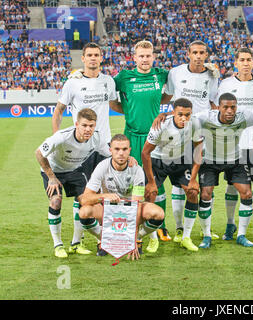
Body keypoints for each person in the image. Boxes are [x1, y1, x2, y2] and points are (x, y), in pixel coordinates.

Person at [52, 43, 119, 241]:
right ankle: (77, 240)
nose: (92, 58)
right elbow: (58, 111)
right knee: (82, 193)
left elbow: (115, 103)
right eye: (89, 55)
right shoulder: (72, 82)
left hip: (104, 146)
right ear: (83, 58)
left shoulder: (108, 81)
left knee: (105, 192)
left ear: (101, 58)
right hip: (81, 149)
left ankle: (105, 237)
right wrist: (57, 139)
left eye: (96, 55)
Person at [112, 40, 170, 251]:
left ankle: (159, 226)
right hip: (132, 136)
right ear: (134, 57)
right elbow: (110, 97)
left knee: (158, 182)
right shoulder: (124, 77)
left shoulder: (161, 75)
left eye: (148, 55)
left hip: (156, 137)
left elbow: (169, 94)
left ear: (153, 56)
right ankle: (133, 227)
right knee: (133, 182)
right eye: (141, 56)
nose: (145, 59)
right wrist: (128, 110)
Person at [160, 40, 219, 242]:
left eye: (202, 52)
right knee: (179, 185)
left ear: (206, 54)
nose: (198, 56)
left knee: (205, 186)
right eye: (195, 52)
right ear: (188, 53)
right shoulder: (175, 73)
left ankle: (205, 230)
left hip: (202, 134)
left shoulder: (212, 76)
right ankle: (179, 228)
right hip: (178, 135)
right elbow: (167, 97)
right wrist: (164, 114)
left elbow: (212, 102)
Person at [35, 108, 111, 258]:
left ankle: (76, 244)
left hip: (75, 170)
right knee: (56, 202)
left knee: (85, 201)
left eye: (91, 125)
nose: (88, 129)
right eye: (84, 125)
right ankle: (58, 245)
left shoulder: (97, 138)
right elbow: (39, 153)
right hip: (53, 171)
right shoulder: (61, 137)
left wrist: (129, 160)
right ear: (77, 124)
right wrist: (51, 177)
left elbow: (109, 153)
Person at [79, 134, 165, 260]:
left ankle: (139, 238)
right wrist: (104, 196)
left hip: (129, 210)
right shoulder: (102, 167)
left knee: (158, 213)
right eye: (117, 149)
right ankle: (103, 239)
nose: (121, 153)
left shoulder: (137, 170)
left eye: (124, 149)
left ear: (129, 150)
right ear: (110, 150)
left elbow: (136, 205)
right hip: (107, 209)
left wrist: (133, 240)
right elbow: (85, 198)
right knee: (84, 212)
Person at [194, 92, 253, 249]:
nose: (229, 111)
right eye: (225, 107)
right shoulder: (205, 117)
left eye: (233, 107)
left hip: (235, 161)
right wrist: (163, 116)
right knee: (205, 194)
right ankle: (206, 235)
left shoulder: (244, 116)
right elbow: (185, 117)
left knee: (246, 193)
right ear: (218, 107)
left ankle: (241, 235)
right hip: (210, 161)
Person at [216, 47, 253, 241]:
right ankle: (230, 224)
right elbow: (217, 108)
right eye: (242, 60)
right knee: (233, 185)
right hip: (234, 143)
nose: (246, 63)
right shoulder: (226, 84)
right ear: (236, 63)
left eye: (249, 60)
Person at [141, 98, 203, 251]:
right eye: (180, 114)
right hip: (158, 161)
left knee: (193, 192)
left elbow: (198, 151)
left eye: (187, 115)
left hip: (180, 160)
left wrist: (193, 179)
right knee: (150, 194)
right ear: (173, 113)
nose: (184, 118)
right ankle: (153, 239)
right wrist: (150, 181)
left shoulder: (195, 123)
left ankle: (186, 237)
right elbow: (145, 153)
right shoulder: (161, 125)